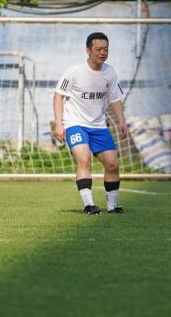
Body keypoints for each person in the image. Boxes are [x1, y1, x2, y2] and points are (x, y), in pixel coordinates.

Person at [53, 32, 127, 215]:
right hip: (75, 123)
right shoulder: (74, 71)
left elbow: (115, 99)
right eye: (98, 49)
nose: (102, 53)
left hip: (99, 126)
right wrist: (59, 124)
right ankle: (89, 205)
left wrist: (121, 121)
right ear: (88, 50)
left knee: (112, 164)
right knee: (84, 159)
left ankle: (112, 206)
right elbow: (58, 96)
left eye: (105, 49)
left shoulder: (110, 72)